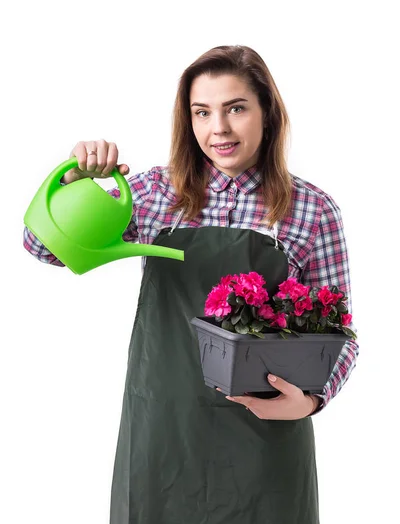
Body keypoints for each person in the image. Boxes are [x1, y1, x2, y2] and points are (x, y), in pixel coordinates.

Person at [23, 45, 359, 524]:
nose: (218, 128)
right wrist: (75, 186)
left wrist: (311, 400)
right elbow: (44, 250)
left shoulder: (310, 210)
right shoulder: (154, 194)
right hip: (162, 437)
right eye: (202, 112)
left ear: (268, 113)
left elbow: (340, 335)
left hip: (266, 443)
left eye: (236, 108)